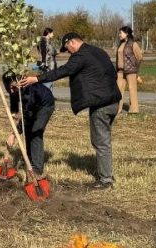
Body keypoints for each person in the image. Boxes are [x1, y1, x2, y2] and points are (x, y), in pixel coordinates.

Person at [20, 32, 121, 189]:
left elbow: (63, 71)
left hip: (102, 104)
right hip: (113, 100)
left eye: (67, 48)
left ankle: (106, 180)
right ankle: (106, 174)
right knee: (103, 139)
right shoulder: (98, 51)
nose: (68, 52)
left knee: (100, 141)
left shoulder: (80, 56)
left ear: (72, 42)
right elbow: (112, 73)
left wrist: (37, 78)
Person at [3, 73, 55, 177]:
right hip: (32, 107)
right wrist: (14, 112)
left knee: (35, 133)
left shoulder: (28, 90)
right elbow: (14, 100)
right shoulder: (13, 89)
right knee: (27, 132)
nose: (11, 91)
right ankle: (28, 160)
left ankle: (36, 168)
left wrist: (14, 133)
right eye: (8, 89)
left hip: (44, 106)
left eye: (13, 88)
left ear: (19, 84)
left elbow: (27, 116)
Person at [115, 26, 143, 114]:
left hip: (131, 71)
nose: (119, 34)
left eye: (121, 33)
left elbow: (139, 57)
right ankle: (117, 109)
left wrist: (134, 67)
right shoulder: (121, 43)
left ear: (126, 33)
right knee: (118, 90)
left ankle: (133, 110)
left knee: (132, 89)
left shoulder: (133, 44)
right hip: (120, 71)